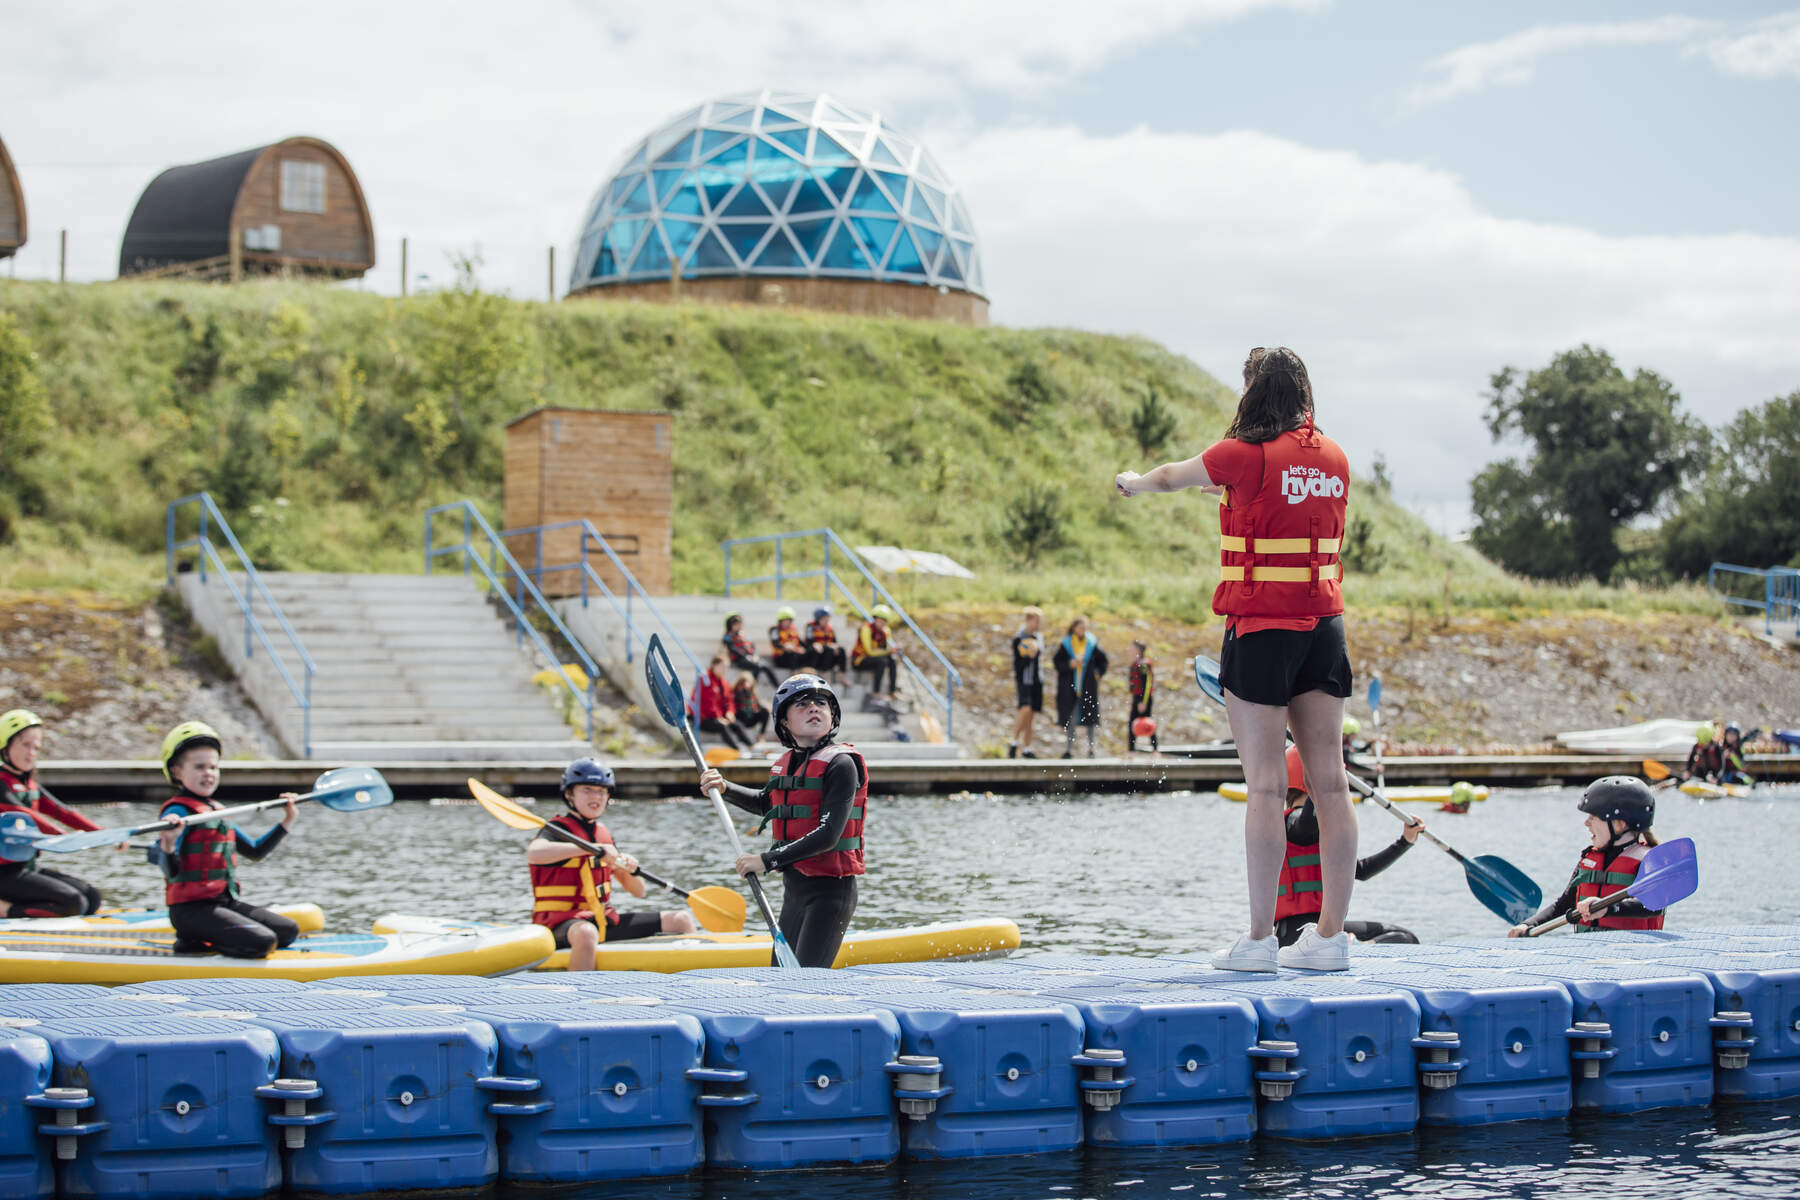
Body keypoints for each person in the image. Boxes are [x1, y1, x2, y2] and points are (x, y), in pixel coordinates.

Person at [1115, 346, 1356, 972]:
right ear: (1303, 390)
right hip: (1324, 630)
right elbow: (1288, 506)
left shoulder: (1238, 455)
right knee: (1329, 785)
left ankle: (1258, 940)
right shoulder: (1335, 458)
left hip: (1260, 632)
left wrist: (1135, 482)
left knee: (1267, 787)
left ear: (1253, 390)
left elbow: (1172, 476)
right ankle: (1329, 939)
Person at [699, 675, 866, 969]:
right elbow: (769, 804)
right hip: (796, 889)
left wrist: (766, 860)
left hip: (831, 893)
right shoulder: (788, 761)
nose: (814, 708)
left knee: (805, 981)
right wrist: (725, 788)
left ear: (832, 715)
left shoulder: (842, 765)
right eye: (802, 705)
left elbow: (828, 835)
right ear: (785, 721)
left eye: (821, 703)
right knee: (781, 977)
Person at [529, 757, 698, 971]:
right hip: (557, 924)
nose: (596, 797)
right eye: (587, 790)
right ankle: (577, 998)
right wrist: (589, 848)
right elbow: (535, 854)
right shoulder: (556, 829)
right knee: (585, 933)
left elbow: (638, 891)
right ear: (569, 794)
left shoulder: (604, 835)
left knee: (680, 920)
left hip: (601, 920)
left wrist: (627, 867)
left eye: (601, 791)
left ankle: (694, 983)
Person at [155, 721, 301, 958]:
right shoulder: (178, 813)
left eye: (213, 767)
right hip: (190, 911)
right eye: (199, 767)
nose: (209, 773)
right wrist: (168, 843)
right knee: (264, 942)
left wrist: (288, 820)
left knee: (288, 931)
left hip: (222, 903)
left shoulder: (216, 810)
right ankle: (189, 941)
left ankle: (209, 938)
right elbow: (170, 872)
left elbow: (255, 851)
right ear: (176, 772)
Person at [1275, 746, 1420, 946]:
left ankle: (1354, 946)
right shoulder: (1294, 822)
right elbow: (1306, 822)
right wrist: (1323, 775)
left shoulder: (1320, 826)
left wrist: (1404, 842)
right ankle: (1352, 946)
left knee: (1403, 938)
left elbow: (1360, 871)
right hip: (1298, 932)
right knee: (1402, 940)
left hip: (1320, 927)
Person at [1509, 777, 1665, 936]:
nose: (1586, 823)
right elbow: (1564, 904)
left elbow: (1655, 905)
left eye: (1593, 817)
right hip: (1589, 953)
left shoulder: (1649, 861)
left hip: (1636, 953)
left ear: (1619, 824)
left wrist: (1607, 908)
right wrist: (1528, 924)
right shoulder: (1589, 859)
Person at [0, 709, 104, 919]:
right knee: (73, 903)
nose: (31, 753)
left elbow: (63, 812)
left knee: (91, 897)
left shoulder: (29, 784)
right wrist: (60, 835)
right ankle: (4, 910)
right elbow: (24, 813)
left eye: (36, 747)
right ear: (6, 745)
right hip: (3, 874)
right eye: (25, 745)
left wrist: (103, 834)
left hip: (27, 867)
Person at [1053, 616, 1108, 758]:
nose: (1083, 630)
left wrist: (1096, 673)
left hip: (1088, 685)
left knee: (1090, 718)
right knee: (1070, 717)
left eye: (1085, 628)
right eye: (1080, 627)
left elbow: (1103, 661)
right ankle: (1069, 749)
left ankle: (1091, 748)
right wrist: (1069, 665)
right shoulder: (1066, 644)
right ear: (1074, 628)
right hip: (1070, 687)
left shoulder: (1091, 643)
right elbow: (1057, 663)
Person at [694, 653, 753, 753]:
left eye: (726, 667)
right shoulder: (705, 680)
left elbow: (729, 700)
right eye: (722, 667)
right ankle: (736, 750)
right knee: (723, 726)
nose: (725, 670)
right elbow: (706, 703)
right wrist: (718, 717)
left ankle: (752, 746)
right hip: (705, 718)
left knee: (737, 724)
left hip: (720, 717)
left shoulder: (724, 682)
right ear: (714, 665)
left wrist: (730, 712)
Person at [1008, 606, 1045, 759]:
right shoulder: (1019, 638)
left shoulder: (1039, 637)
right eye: (1036, 621)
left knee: (1031, 714)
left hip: (1037, 679)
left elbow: (1040, 656)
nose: (1038, 624)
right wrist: (1029, 655)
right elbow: (1018, 663)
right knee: (1025, 708)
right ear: (1029, 620)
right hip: (1024, 679)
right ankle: (1013, 742)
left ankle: (1027, 747)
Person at [852, 604, 900, 700]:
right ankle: (876, 692)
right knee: (882, 661)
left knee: (892, 660)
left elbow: (888, 648)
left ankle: (893, 691)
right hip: (859, 660)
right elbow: (870, 652)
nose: (882, 622)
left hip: (874, 659)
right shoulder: (866, 629)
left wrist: (895, 649)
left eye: (884, 620)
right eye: (880, 620)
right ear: (875, 619)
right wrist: (889, 651)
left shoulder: (886, 631)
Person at [723, 613, 779, 687]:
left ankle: (777, 686)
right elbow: (732, 648)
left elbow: (753, 646)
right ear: (730, 625)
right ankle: (752, 686)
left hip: (751, 658)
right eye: (735, 624)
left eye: (739, 624)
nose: (738, 626)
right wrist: (745, 656)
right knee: (759, 667)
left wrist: (755, 655)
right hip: (739, 659)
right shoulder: (728, 636)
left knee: (766, 666)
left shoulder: (743, 634)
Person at [1126, 640, 1157, 753]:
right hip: (1137, 698)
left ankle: (1155, 750)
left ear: (1138, 650)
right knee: (1132, 724)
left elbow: (1147, 684)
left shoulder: (1143, 664)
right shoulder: (1136, 662)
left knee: (1148, 723)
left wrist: (1143, 701)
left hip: (1144, 699)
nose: (1128, 650)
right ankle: (1131, 751)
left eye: (1131, 648)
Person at [806, 605, 848, 686]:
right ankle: (824, 675)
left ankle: (842, 677)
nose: (826, 620)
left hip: (828, 652)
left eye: (827, 618)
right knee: (828, 649)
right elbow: (809, 642)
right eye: (824, 618)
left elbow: (834, 642)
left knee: (841, 649)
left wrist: (835, 647)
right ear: (818, 619)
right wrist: (818, 645)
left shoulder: (829, 628)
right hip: (816, 654)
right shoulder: (810, 626)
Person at [768, 606, 809, 673]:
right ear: (780, 621)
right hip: (781, 657)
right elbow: (775, 643)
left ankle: (809, 672)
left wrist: (808, 647)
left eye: (789, 620)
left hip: (794, 655)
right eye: (785, 620)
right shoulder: (775, 630)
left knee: (809, 652)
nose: (787, 622)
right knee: (791, 653)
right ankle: (794, 674)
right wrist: (784, 646)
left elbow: (800, 642)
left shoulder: (793, 629)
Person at [732, 674, 771, 743]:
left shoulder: (752, 693)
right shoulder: (735, 692)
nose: (745, 685)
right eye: (743, 682)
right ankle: (743, 737)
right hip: (740, 719)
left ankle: (761, 735)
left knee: (765, 711)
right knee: (742, 711)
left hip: (750, 718)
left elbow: (757, 705)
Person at [1718, 722, 1754, 786]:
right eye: (1729, 734)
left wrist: (1732, 756)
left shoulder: (1740, 748)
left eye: (1734, 734)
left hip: (1735, 775)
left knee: (1742, 778)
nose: (1731, 737)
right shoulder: (1720, 747)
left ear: (1737, 736)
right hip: (1723, 775)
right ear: (1725, 735)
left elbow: (1742, 767)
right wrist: (1722, 756)